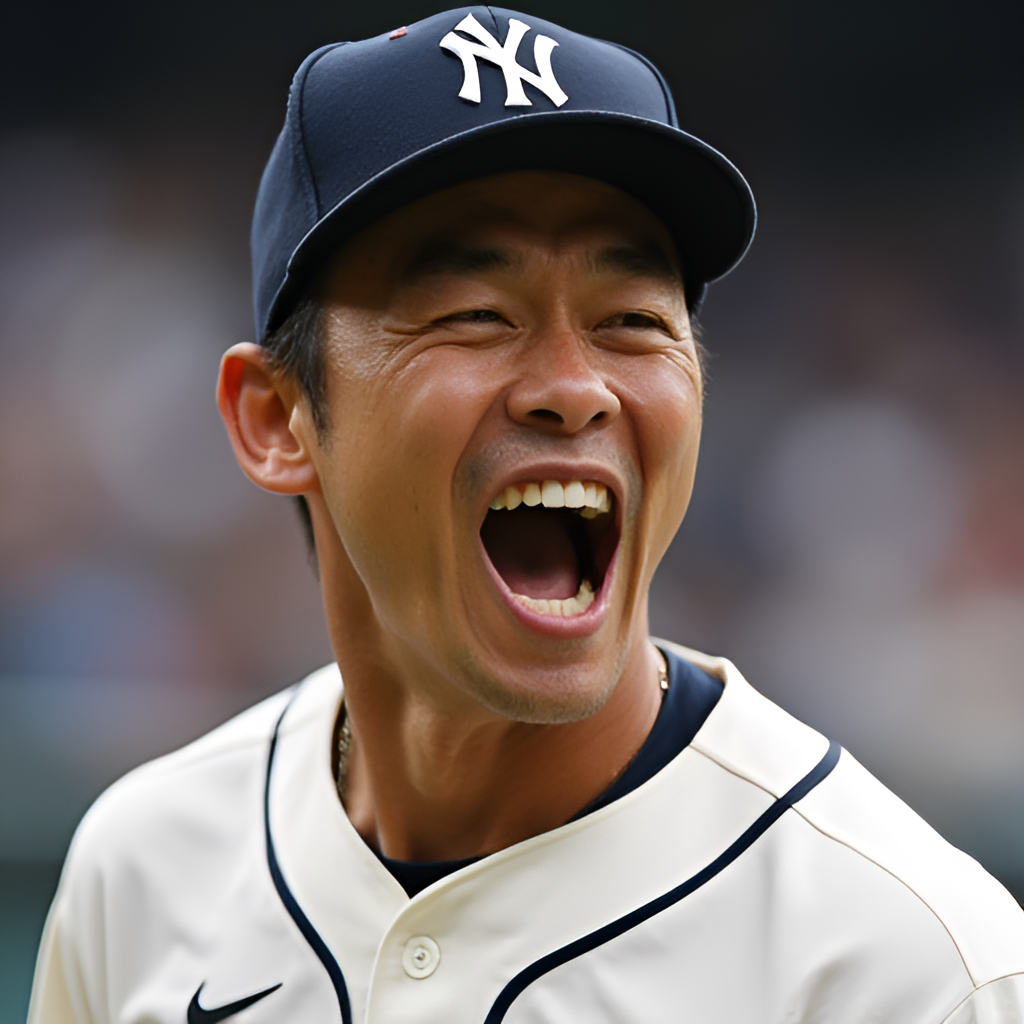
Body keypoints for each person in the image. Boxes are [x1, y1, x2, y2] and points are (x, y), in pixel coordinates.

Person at [28, 7, 1024, 1023]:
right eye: (475, 315)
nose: (574, 386)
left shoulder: (910, 969)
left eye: (632, 320)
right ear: (277, 418)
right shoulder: (141, 871)